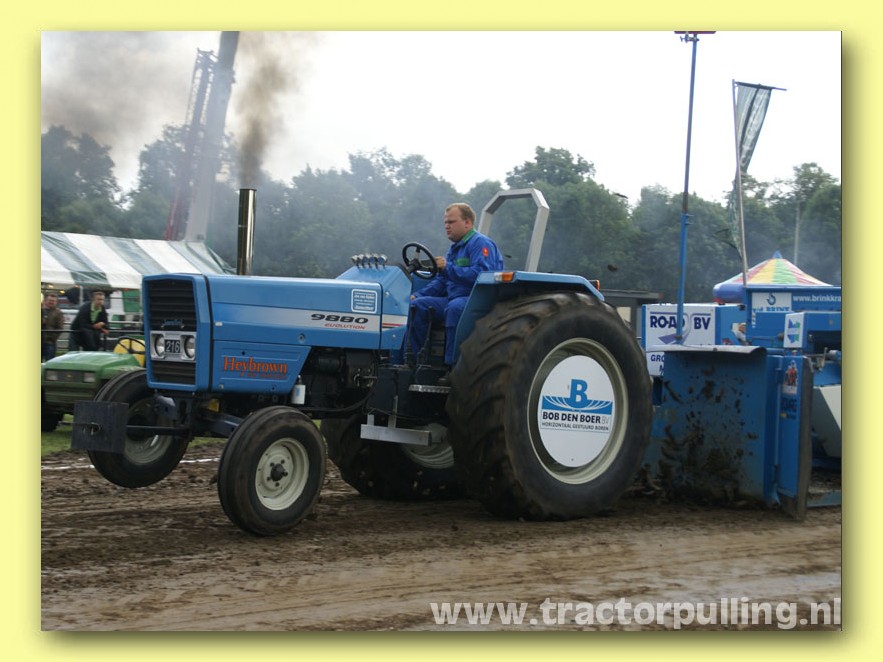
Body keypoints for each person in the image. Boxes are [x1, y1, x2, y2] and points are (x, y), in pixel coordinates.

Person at [408, 203, 503, 380]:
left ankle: (452, 368)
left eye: (451, 222)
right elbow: (442, 281)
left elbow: (482, 275)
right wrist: (417, 295)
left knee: (454, 308)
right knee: (417, 306)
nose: (447, 226)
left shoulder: (481, 244)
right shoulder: (454, 249)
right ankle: (413, 363)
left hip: (475, 300)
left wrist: (448, 268)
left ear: (467, 223)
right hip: (452, 297)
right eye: (445, 222)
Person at [41, 291, 65, 361]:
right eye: (50, 300)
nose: (51, 302)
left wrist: (52, 338)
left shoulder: (59, 313)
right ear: (45, 301)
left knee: (49, 362)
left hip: (50, 342)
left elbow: (60, 328)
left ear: (56, 302)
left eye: (53, 301)